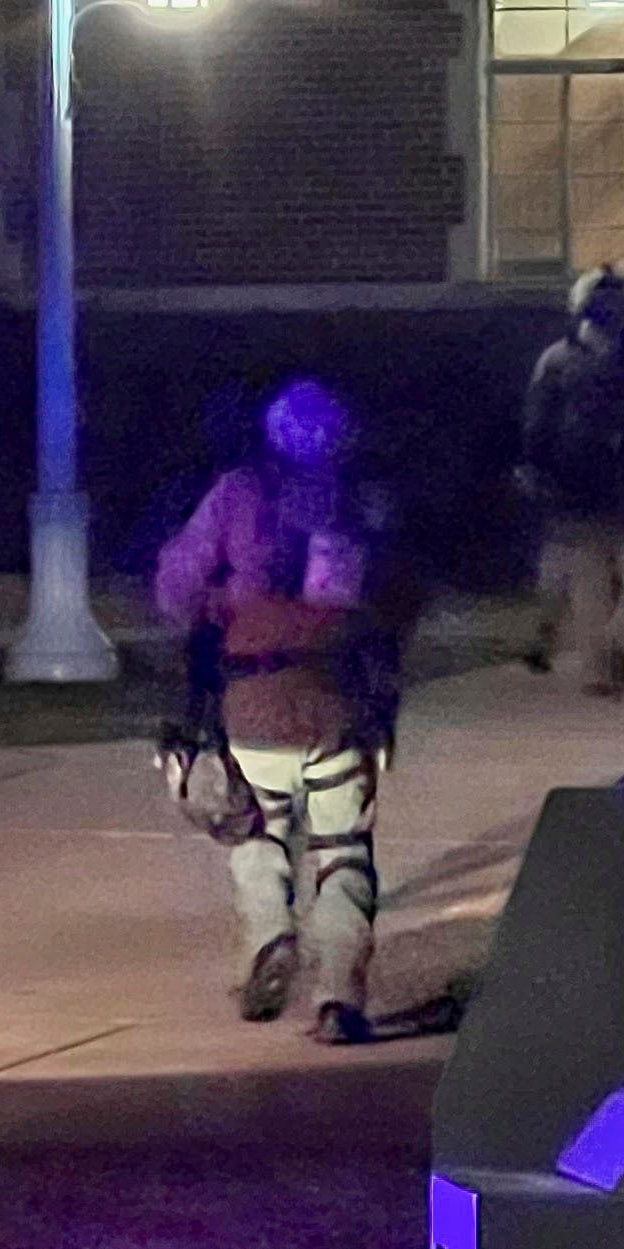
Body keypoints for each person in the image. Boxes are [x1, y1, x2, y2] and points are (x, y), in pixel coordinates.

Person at [154, 379, 408, 1045]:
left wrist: (218, 606)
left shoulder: (237, 495)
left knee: (256, 836)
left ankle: (269, 936)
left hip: (253, 700)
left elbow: (177, 586)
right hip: (337, 701)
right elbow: (394, 601)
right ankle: (338, 995)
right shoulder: (358, 503)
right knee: (343, 852)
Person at [518, 268, 624, 694]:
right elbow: (538, 421)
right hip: (581, 477)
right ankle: (599, 667)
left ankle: (610, 649)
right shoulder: (559, 360)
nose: (613, 306)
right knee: (591, 579)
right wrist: (537, 467)